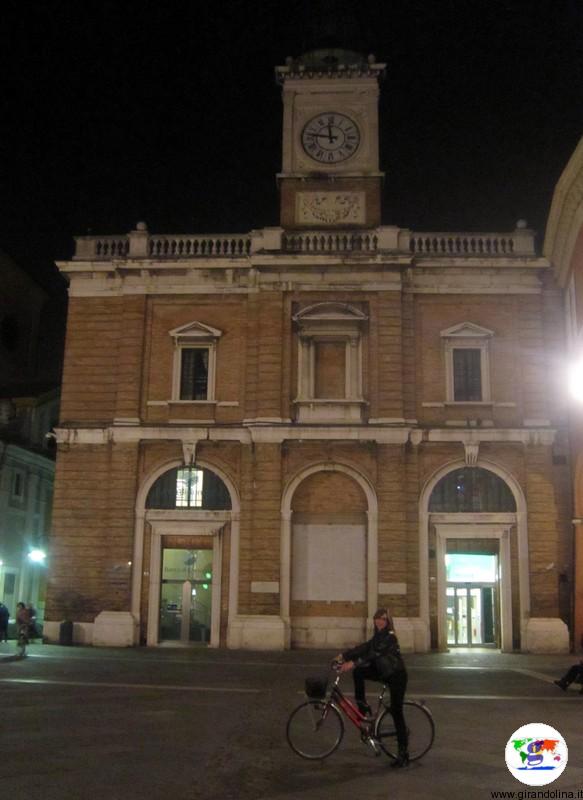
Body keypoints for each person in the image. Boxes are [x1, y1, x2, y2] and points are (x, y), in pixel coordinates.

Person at [337, 607, 409, 767]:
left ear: (388, 622)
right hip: (384, 672)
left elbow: (374, 653)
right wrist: (344, 656)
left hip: (396, 676)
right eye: (377, 618)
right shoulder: (377, 637)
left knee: (397, 713)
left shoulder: (390, 637)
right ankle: (362, 706)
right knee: (359, 673)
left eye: (383, 619)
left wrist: (352, 663)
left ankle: (403, 754)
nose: (379, 621)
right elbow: (365, 648)